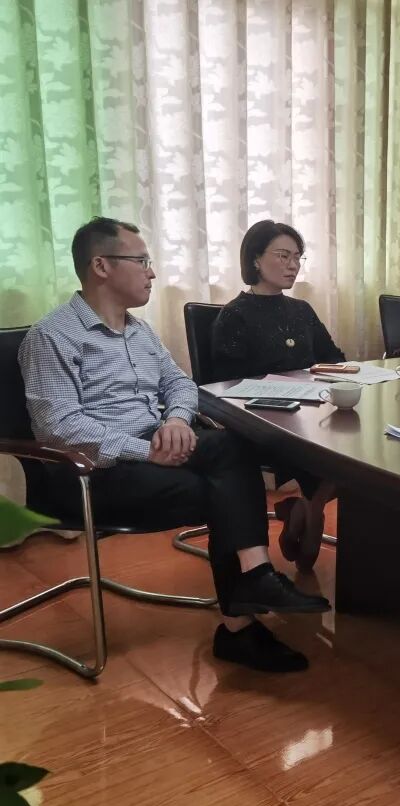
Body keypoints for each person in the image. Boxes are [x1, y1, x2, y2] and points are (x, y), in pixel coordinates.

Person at [19, 217, 330, 674]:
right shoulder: (52, 336)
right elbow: (58, 427)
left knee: (234, 448)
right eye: (141, 261)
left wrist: (177, 420)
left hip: (154, 446)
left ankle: (256, 577)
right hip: (91, 470)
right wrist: (146, 450)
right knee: (221, 491)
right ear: (101, 266)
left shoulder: (140, 331)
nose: (152, 272)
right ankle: (239, 624)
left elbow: (181, 385)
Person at [211, 220, 344, 571]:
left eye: (298, 257)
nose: (293, 265)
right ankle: (309, 508)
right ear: (256, 259)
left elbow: (334, 359)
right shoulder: (234, 315)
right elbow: (224, 386)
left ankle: (308, 508)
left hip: (310, 412)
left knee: (353, 442)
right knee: (327, 451)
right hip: (260, 421)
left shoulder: (302, 310)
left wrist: (336, 376)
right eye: (283, 256)